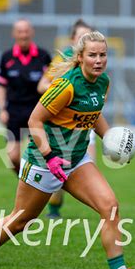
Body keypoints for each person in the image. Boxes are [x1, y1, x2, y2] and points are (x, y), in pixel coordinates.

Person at [0, 31, 135, 269]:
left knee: (109, 206)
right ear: (80, 57)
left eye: (103, 55)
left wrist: (113, 140)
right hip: (44, 162)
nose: (99, 60)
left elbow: (93, 114)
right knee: (20, 221)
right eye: (93, 55)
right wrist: (50, 157)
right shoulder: (66, 86)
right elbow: (34, 121)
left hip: (75, 160)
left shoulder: (103, 83)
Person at [37, 19, 95, 218]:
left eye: (88, 36)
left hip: (86, 123)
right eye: (81, 36)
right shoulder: (63, 60)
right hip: (64, 126)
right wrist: (62, 92)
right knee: (61, 173)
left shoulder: (94, 61)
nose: (84, 40)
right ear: (72, 40)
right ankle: (54, 206)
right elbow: (41, 85)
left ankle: (100, 205)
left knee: (89, 165)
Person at [0, 18, 52, 173]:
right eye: (20, 31)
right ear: (14, 34)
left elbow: (53, 85)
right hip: (14, 112)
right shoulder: (7, 57)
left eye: (26, 31)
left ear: (31, 32)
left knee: (41, 156)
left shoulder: (43, 56)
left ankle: (39, 186)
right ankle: (25, 180)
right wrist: (2, 109)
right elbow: (1, 86)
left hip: (37, 111)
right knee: (12, 157)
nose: (23, 35)